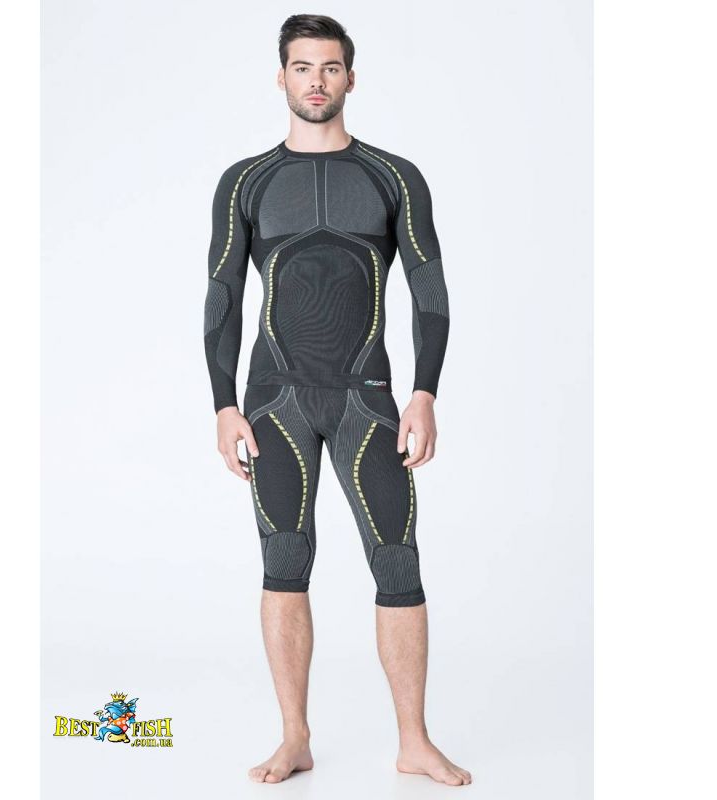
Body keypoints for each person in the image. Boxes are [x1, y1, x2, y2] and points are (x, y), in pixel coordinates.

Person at [203, 13, 472, 787]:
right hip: (275, 402)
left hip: (368, 401)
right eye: (301, 67)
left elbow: (430, 292)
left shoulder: (394, 177)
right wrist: (224, 404)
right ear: (281, 77)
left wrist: (425, 392)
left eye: (328, 67)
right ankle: (294, 738)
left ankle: (414, 741)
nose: (315, 80)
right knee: (283, 563)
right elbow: (222, 297)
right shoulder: (245, 182)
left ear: (351, 77)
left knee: (397, 561)